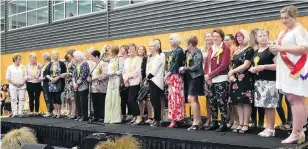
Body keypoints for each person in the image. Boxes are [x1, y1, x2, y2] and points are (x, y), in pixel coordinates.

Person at [270, 5, 308, 144]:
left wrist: (281, 48)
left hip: (295, 70)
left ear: (294, 16)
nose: (284, 20)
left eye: (286, 18)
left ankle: (296, 132)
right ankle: (300, 130)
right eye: (282, 18)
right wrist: (276, 51)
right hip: (286, 70)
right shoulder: (285, 31)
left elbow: (304, 49)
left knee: (294, 100)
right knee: (297, 100)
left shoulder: (299, 30)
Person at [249, 29, 279, 137]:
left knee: (270, 105)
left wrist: (264, 67)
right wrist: (253, 68)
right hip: (259, 82)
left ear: (268, 36)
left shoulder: (272, 50)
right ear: (256, 38)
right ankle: (268, 127)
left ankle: (271, 129)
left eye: (264, 35)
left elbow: (278, 66)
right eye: (260, 36)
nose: (262, 37)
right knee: (265, 105)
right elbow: (255, 64)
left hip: (270, 81)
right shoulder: (256, 51)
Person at [204, 29, 230, 132]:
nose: (214, 38)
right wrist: (207, 75)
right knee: (212, 101)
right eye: (213, 36)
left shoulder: (225, 49)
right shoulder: (211, 48)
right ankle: (214, 121)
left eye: (217, 36)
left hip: (221, 79)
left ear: (221, 37)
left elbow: (223, 66)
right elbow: (207, 64)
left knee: (221, 102)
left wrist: (210, 75)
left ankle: (223, 122)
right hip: (210, 80)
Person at [229, 29, 254, 134]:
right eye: (237, 36)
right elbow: (231, 63)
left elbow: (246, 65)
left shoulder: (249, 49)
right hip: (235, 79)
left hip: (245, 78)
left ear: (245, 37)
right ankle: (240, 122)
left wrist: (232, 71)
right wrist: (231, 73)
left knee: (246, 101)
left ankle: (245, 123)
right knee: (238, 101)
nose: (238, 38)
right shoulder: (236, 49)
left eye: (241, 36)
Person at [180, 36, 204, 130]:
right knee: (194, 99)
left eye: (187, 43)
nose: (186, 45)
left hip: (196, 77)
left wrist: (184, 69)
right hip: (189, 77)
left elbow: (197, 67)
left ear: (190, 43)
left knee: (191, 98)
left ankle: (195, 122)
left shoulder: (197, 52)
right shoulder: (189, 53)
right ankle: (198, 121)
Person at [164, 33, 185, 128]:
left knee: (176, 98)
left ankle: (177, 118)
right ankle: (174, 118)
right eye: (169, 39)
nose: (170, 41)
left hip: (176, 76)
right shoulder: (173, 51)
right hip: (172, 76)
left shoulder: (179, 51)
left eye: (171, 39)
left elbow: (176, 64)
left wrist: (168, 73)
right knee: (172, 98)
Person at [145, 39, 165, 127]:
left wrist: (146, 78)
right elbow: (148, 69)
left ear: (156, 47)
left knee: (155, 100)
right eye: (149, 46)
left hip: (156, 81)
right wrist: (147, 79)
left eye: (152, 46)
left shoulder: (158, 57)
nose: (150, 47)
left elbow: (153, 71)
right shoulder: (150, 58)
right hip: (150, 80)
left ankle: (157, 119)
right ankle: (156, 118)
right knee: (153, 100)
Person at [123, 43, 143, 125]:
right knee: (130, 100)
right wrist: (125, 79)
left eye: (133, 49)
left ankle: (139, 117)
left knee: (132, 99)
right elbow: (124, 71)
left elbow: (137, 71)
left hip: (135, 81)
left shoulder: (138, 59)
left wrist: (128, 77)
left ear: (135, 50)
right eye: (130, 49)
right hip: (128, 82)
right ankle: (135, 116)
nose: (131, 50)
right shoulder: (127, 60)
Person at [249, 28, 265, 128]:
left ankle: (261, 122)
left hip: (262, 77)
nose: (257, 36)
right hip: (252, 77)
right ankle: (254, 121)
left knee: (261, 101)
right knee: (253, 101)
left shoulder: (262, 48)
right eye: (255, 34)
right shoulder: (251, 49)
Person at [45, 51, 67, 118]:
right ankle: (56, 112)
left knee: (58, 97)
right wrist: (51, 79)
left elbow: (64, 73)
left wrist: (57, 77)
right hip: (51, 82)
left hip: (59, 81)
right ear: (52, 56)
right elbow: (46, 74)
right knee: (53, 98)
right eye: (54, 54)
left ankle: (59, 113)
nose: (56, 55)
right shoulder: (50, 64)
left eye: (57, 54)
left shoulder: (61, 63)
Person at [105, 46, 123, 124]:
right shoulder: (110, 60)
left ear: (114, 52)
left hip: (116, 79)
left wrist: (114, 73)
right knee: (109, 98)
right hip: (110, 80)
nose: (109, 53)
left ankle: (116, 118)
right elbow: (104, 58)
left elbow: (121, 70)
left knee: (115, 98)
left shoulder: (120, 59)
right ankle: (109, 117)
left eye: (110, 51)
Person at [90, 50, 108, 122]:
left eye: (92, 57)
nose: (91, 58)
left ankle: (102, 116)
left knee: (101, 101)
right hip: (94, 86)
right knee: (95, 101)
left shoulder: (103, 64)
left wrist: (96, 77)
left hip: (101, 86)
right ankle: (96, 116)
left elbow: (105, 74)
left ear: (96, 56)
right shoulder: (93, 65)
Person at [137, 45, 153, 123]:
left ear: (144, 51)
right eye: (139, 49)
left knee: (147, 99)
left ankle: (150, 117)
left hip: (145, 80)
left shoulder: (146, 59)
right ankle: (141, 116)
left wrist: (146, 79)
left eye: (142, 49)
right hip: (137, 81)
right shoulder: (136, 59)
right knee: (139, 99)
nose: (140, 50)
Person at [72, 51, 90, 121]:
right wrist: (74, 82)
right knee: (77, 101)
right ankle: (79, 115)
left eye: (75, 57)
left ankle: (84, 116)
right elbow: (73, 75)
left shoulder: (85, 64)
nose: (74, 58)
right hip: (76, 87)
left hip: (83, 86)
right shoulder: (76, 64)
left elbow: (84, 75)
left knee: (83, 102)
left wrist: (77, 83)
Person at [203, 32, 214, 127]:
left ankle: (218, 119)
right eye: (206, 37)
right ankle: (208, 118)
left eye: (209, 36)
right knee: (208, 99)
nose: (207, 38)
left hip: (214, 76)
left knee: (216, 99)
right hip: (205, 77)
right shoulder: (203, 50)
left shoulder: (216, 48)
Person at [63, 50, 76, 119]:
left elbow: (75, 73)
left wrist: (67, 74)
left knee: (73, 98)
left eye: (69, 54)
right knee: (68, 98)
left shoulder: (74, 62)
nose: (67, 55)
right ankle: (70, 111)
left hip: (72, 82)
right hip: (67, 82)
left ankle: (74, 113)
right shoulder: (68, 62)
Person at [119, 45, 131, 122]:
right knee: (122, 99)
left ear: (126, 50)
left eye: (122, 48)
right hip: (121, 79)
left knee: (128, 98)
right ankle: (123, 114)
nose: (121, 50)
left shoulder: (129, 58)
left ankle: (129, 113)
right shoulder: (119, 59)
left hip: (128, 79)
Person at [40, 53, 54, 117]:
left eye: (43, 57)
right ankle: (49, 110)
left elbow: (49, 74)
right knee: (46, 97)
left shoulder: (50, 64)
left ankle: (50, 111)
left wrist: (43, 78)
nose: (42, 58)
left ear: (45, 57)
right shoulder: (44, 65)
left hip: (47, 83)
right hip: (43, 83)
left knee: (48, 97)